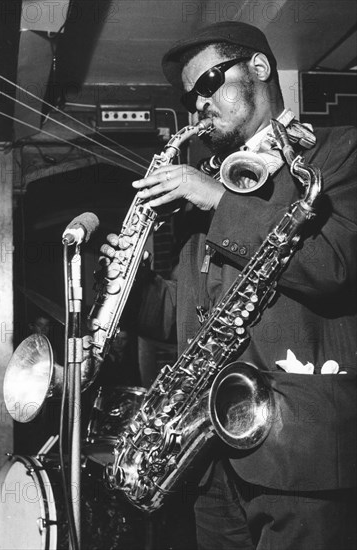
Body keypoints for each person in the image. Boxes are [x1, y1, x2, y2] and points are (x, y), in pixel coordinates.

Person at [102, 22, 357, 550]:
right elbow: (185, 313)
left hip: (299, 451)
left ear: (258, 69)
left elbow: (336, 268)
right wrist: (129, 285)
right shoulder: (211, 185)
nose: (197, 104)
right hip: (208, 452)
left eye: (209, 83)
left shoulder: (338, 152)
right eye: (189, 95)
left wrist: (219, 201)